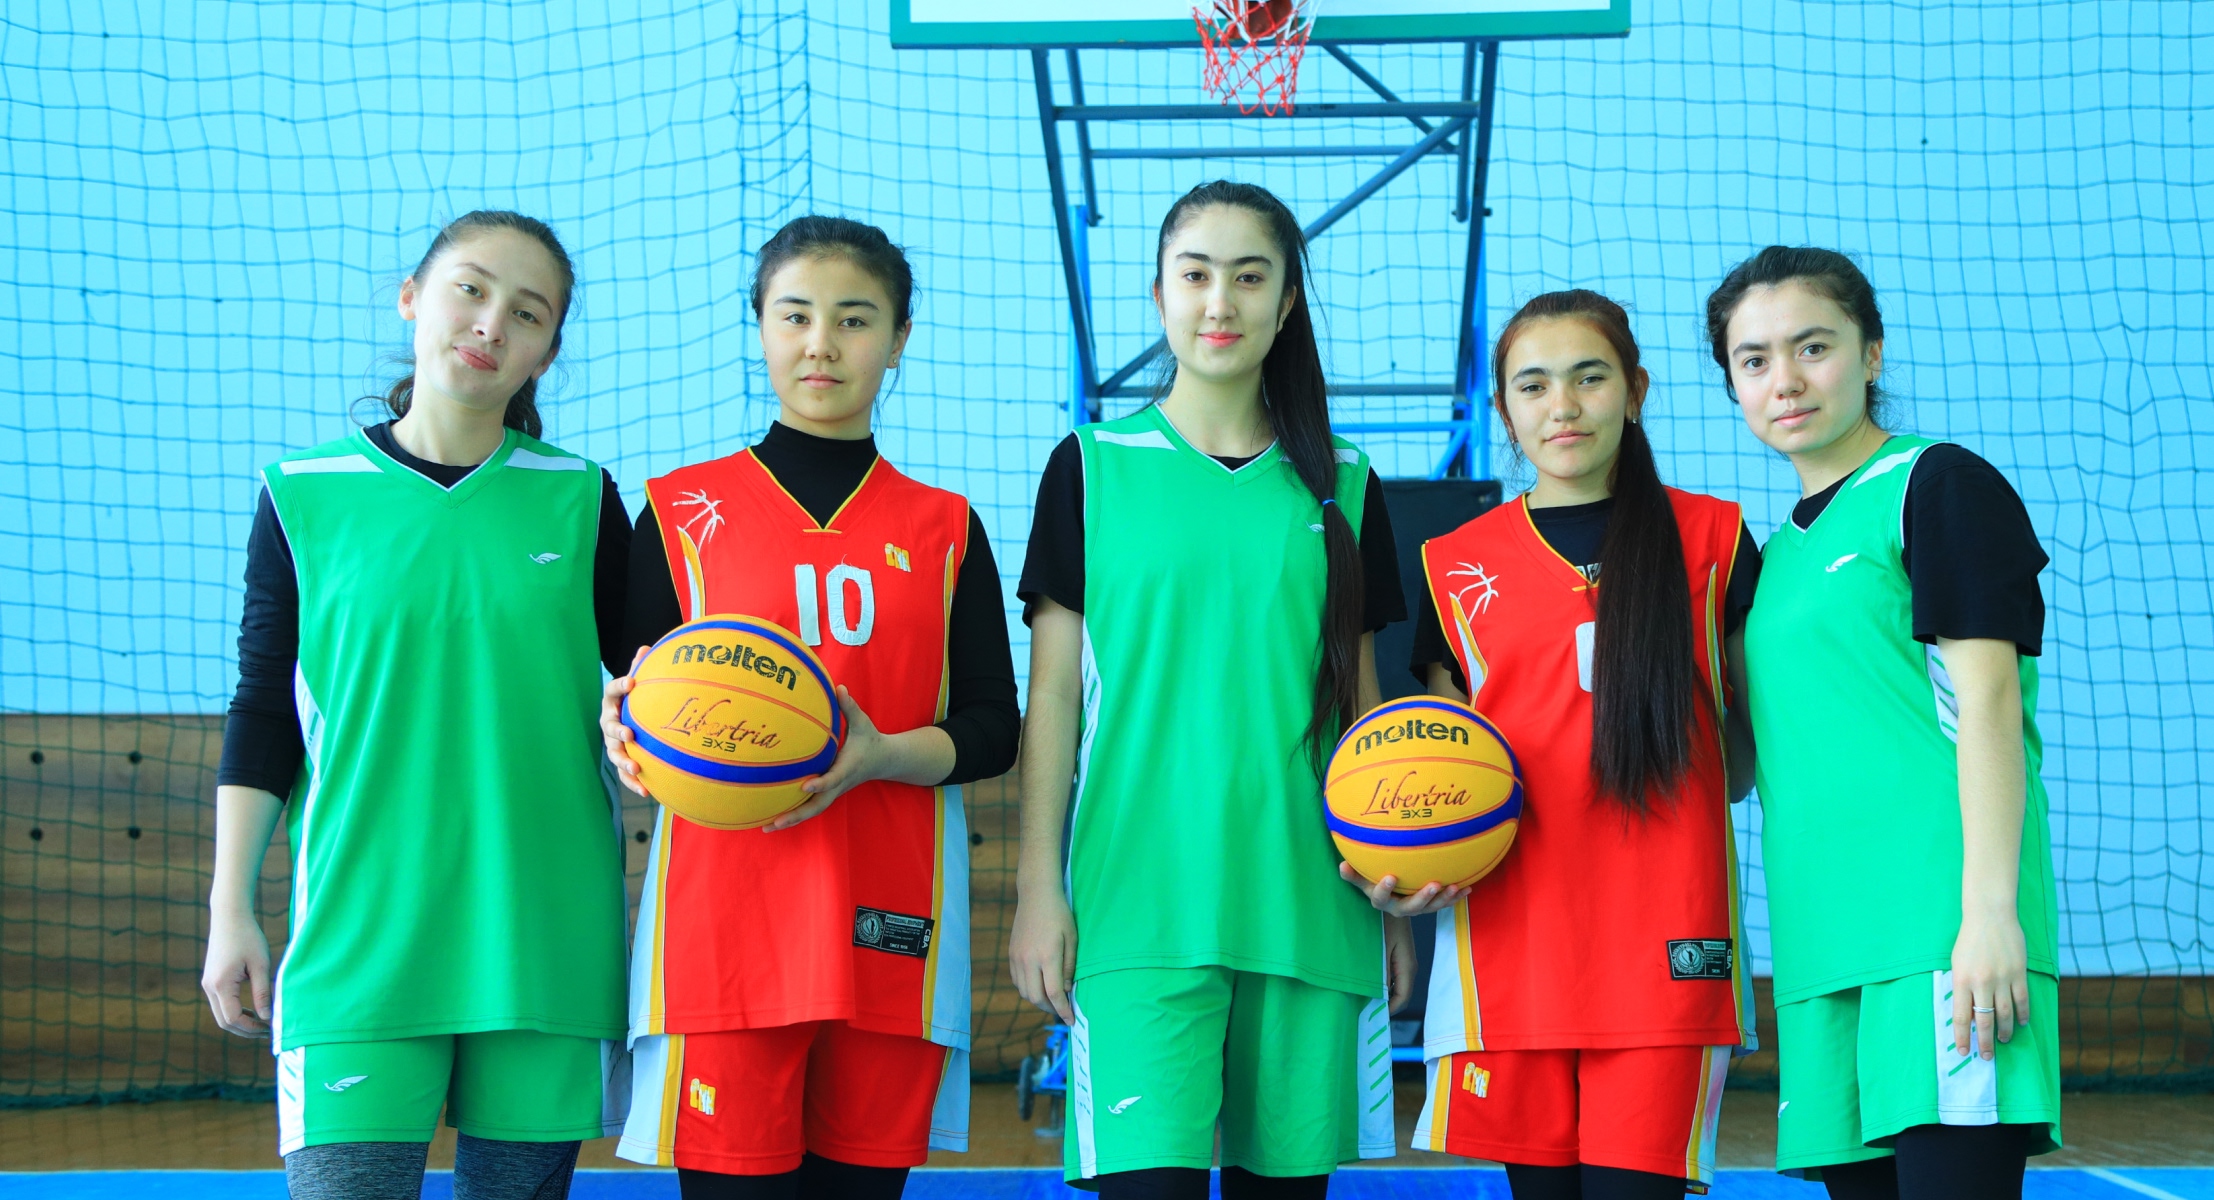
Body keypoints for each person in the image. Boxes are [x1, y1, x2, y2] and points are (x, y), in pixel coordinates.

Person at [201, 210, 633, 1200]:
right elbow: (264, 714)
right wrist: (232, 911)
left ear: (546, 354)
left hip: (542, 943)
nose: (491, 324)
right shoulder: (304, 494)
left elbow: (656, 693)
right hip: (359, 944)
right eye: (469, 290)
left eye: (527, 313)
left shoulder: (582, 499)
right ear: (412, 298)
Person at [1008, 179, 1413, 1200]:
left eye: (1249, 277)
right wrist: (1037, 889)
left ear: (1287, 302)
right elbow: (1052, 700)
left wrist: (1398, 896)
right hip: (1137, 908)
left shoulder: (1347, 482)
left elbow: (1367, 715)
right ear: (1160, 294)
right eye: (1195, 275)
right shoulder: (1091, 467)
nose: (1219, 301)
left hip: (1311, 903)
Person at [601, 215, 1020, 1200]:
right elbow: (632, 694)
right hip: (723, 936)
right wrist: (621, 728)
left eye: (854, 319)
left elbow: (994, 727)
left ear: (899, 338)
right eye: (794, 315)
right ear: (760, 327)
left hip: (890, 924)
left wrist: (878, 755)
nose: (821, 343)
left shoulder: (946, 526)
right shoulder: (681, 511)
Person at [1710, 246, 2060, 1200]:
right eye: (1754, 360)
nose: (1785, 380)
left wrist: (1989, 916)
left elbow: (1989, 707)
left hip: (1938, 939)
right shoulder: (1773, 560)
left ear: (1870, 353)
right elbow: (1741, 767)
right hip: (1823, 948)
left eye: (1813, 347)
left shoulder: (1934, 485)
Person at [1393, 289, 1759, 1199]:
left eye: (1590, 378)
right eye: (1533, 385)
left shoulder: (1715, 540)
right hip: (1513, 942)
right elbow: (1435, 768)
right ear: (1504, 408)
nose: (1562, 406)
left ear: (1635, 390)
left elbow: (1746, 755)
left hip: (1668, 941)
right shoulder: (1453, 564)